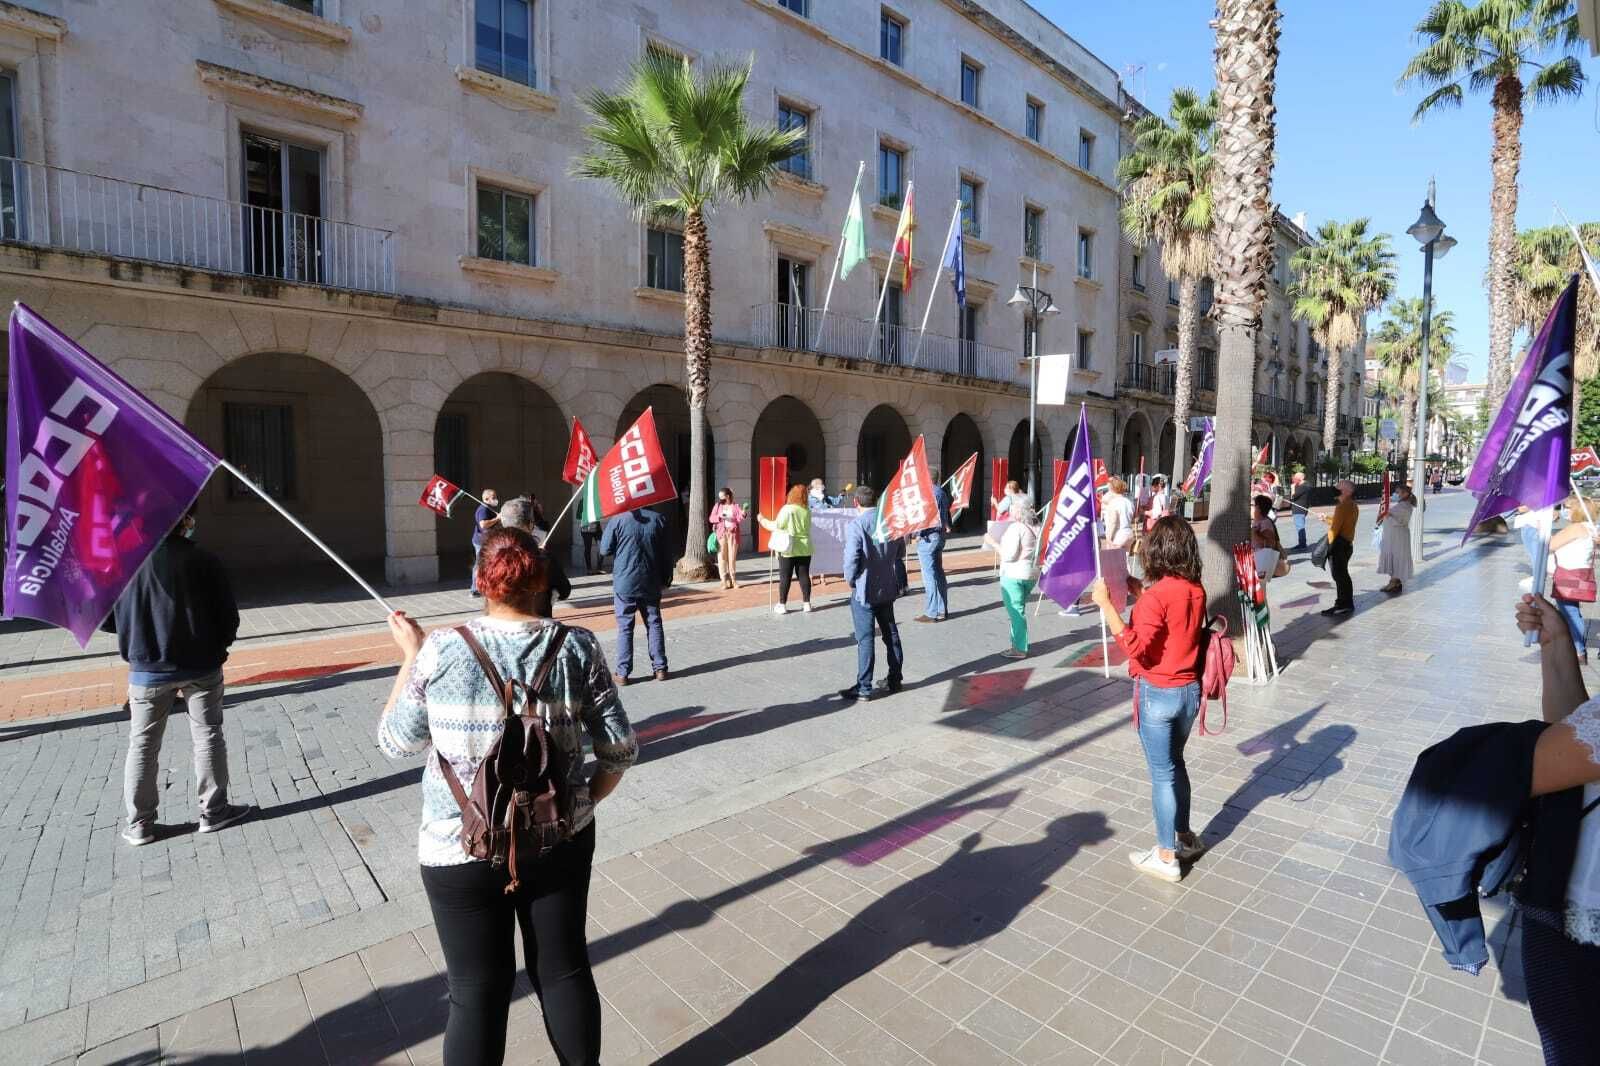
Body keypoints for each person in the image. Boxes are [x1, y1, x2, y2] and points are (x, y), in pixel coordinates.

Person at [378, 527, 637, 1066]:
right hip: (557, 839)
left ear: (481, 582)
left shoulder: (443, 649)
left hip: (458, 845)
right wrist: (584, 801)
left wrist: (410, 654)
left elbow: (394, 742)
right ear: (540, 580)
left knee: (474, 995)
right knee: (564, 971)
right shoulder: (578, 646)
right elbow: (620, 750)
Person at [107, 508, 250, 846]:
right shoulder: (203, 560)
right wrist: (219, 645)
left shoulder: (125, 564)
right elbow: (228, 616)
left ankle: (140, 824)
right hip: (201, 665)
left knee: (142, 745)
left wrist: (134, 633)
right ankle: (214, 812)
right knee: (208, 734)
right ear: (182, 522)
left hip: (146, 668)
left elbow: (109, 618)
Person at [1091, 516, 1207, 883]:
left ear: (1158, 550)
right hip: (1189, 691)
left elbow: (1134, 647)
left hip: (1158, 693)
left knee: (1162, 774)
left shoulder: (1157, 596)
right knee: (1176, 764)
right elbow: (1175, 627)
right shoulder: (1194, 588)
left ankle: (1165, 855)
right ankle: (1186, 837)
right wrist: (1141, 594)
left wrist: (1106, 606)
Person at [841, 485, 905, 701]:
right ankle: (895, 679)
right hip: (887, 584)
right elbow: (900, 551)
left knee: (866, 638)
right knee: (891, 634)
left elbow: (851, 558)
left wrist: (850, 579)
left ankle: (864, 687)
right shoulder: (890, 521)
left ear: (856, 503)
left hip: (864, 588)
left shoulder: (858, 524)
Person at [600, 507, 672, 685]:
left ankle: (623, 672)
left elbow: (604, 549)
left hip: (625, 581)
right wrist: (667, 578)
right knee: (654, 622)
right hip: (651, 579)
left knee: (625, 626)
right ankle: (660, 668)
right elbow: (666, 553)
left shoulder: (618, 520)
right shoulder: (658, 519)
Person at [498, 497, 571, 617]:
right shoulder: (544, 559)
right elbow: (564, 591)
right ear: (531, 524)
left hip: (500, 624)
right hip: (538, 624)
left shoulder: (490, 556)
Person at [988, 495, 1040, 659]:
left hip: (1014, 573)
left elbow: (1009, 556)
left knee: (1016, 611)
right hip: (1031, 573)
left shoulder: (1016, 528)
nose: (1009, 511)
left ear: (1018, 511)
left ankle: (1019, 648)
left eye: (1012, 508)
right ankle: (1016, 642)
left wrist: (993, 542)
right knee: (1019, 608)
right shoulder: (1037, 525)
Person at [1549, 497, 1599, 665]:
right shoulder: (1590, 528)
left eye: (1568, 507)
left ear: (1578, 510)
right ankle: (1575, 648)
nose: (1565, 510)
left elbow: (1549, 545)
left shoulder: (1575, 528)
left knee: (1569, 613)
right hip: (1580, 576)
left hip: (1567, 577)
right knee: (1572, 611)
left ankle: (1578, 651)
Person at [759, 484, 814, 613]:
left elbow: (777, 525)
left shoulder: (787, 509)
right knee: (804, 575)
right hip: (805, 546)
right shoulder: (807, 510)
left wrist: (762, 520)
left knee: (785, 576)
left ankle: (782, 604)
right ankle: (807, 603)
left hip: (788, 546)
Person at [912, 476, 953, 622]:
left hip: (929, 537)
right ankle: (942, 610)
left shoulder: (929, 494)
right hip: (939, 536)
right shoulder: (941, 492)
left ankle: (932, 612)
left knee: (929, 576)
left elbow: (927, 517)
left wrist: (917, 533)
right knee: (939, 573)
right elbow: (945, 514)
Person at [1320, 478, 1358, 617]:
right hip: (1347, 544)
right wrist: (1327, 519)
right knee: (1343, 575)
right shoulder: (1352, 505)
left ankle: (1343, 604)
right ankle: (1344, 603)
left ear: (1347, 491)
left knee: (1340, 576)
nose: (1336, 487)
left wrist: (1327, 546)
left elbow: (1335, 529)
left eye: (1339, 486)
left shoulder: (1342, 506)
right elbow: (1341, 523)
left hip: (1339, 546)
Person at [1377, 485, 1416, 595]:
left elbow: (1400, 521)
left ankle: (1394, 582)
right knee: (1394, 556)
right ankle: (1394, 581)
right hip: (1395, 536)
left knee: (1396, 557)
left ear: (1405, 493)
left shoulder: (1405, 506)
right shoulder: (1402, 505)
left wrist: (1388, 514)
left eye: (1398, 492)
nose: (1396, 494)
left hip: (1398, 536)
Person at [708, 487, 746, 590]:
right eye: (719, 497)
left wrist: (743, 514)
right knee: (722, 557)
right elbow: (711, 518)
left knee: (732, 558)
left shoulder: (735, 506)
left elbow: (739, 518)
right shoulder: (718, 505)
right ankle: (724, 581)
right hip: (722, 534)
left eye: (722, 497)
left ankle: (733, 580)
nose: (720, 499)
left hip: (733, 534)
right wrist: (719, 516)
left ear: (728, 496)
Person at [470, 489, 501, 596]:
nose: (496, 499)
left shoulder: (488, 508)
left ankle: (485, 586)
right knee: (479, 565)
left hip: (487, 540)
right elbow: (483, 524)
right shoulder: (483, 509)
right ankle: (475, 589)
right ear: (486, 499)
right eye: (494, 497)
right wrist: (497, 519)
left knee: (487, 564)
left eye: (495, 496)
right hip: (480, 542)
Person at [1251, 494, 1284, 584]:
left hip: (1261, 561)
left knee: (1260, 589)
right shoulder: (1257, 521)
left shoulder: (1265, 523)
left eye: (1254, 505)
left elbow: (1270, 543)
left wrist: (1254, 533)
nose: (1252, 508)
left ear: (1259, 508)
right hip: (1256, 560)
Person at [1102, 477, 1136, 550]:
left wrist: (1108, 538)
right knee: (1126, 560)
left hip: (1118, 535)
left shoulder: (1114, 503)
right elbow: (1133, 518)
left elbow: (1113, 522)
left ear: (1112, 489)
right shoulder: (1129, 502)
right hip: (1129, 534)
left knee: (1114, 560)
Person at [1289, 472, 1311, 551]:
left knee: (1300, 527)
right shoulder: (1306, 485)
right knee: (1300, 526)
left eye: (1295, 477)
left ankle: (1302, 544)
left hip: (1299, 509)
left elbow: (1293, 496)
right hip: (1301, 509)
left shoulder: (1303, 487)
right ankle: (1302, 543)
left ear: (1300, 478)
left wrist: (1292, 488)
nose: (1294, 479)